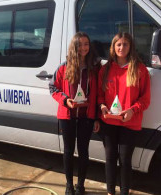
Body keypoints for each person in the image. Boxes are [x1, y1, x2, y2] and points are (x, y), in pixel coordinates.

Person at [98, 32, 151, 195]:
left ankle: (124, 192)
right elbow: (99, 95)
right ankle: (110, 192)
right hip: (108, 122)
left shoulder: (140, 69)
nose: (121, 47)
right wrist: (102, 106)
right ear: (113, 47)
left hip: (130, 123)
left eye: (125, 44)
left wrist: (133, 110)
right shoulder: (105, 69)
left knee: (125, 160)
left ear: (131, 47)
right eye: (118, 44)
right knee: (110, 160)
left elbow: (145, 99)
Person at [49, 32, 100, 195]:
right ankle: (69, 185)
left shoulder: (95, 67)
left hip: (87, 116)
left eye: (86, 44)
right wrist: (65, 100)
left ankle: (81, 185)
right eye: (80, 44)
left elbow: (99, 93)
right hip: (67, 115)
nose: (83, 47)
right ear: (74, 47)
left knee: (83, 151)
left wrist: (97, 116)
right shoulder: (64, 67)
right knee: (69, 151)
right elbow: (53, 88)